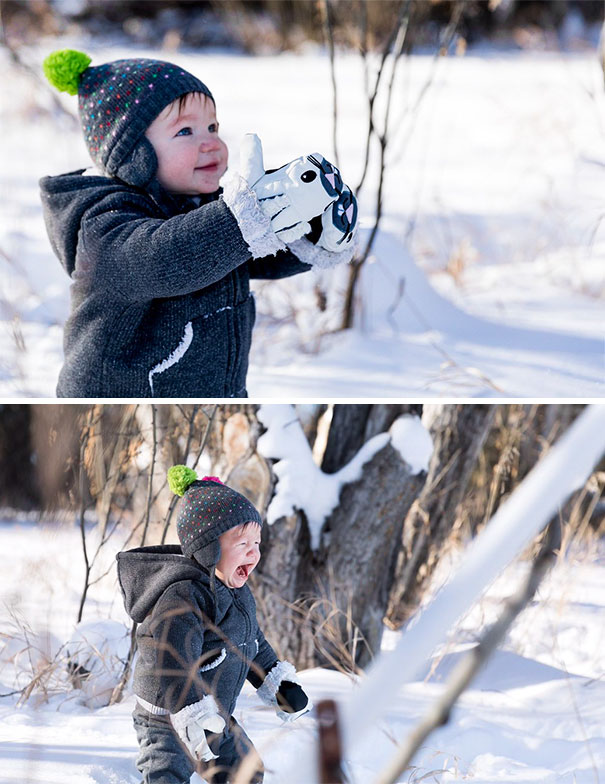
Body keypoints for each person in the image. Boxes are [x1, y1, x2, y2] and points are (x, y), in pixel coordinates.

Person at [39, 49, 358, 397]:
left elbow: (243, 255)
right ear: (134, 154)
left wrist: (308, 228)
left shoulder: (199, 204)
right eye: (185, 131)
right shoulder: (103, 225)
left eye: (212, 127)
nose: (211, 143)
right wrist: (245, 217)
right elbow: (163, 259)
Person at [116, 468, 311, 784]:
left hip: (212, 714)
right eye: (242, 542)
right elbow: (174, 662)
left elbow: (250, 641)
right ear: (208, 547)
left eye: (257, 542)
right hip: (166, 716)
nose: (253, 551)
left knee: (245, 773)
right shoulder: (182, 597)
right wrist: (195, 715)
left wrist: (276, 682)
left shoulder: (236, 591)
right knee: (167, 776)